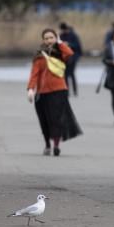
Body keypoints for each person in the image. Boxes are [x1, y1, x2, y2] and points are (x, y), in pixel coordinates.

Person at [27, 28, 83, 156]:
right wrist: (30, 89)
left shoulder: (61, 52)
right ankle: (47, 144)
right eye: (46, 38)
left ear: (55, 38)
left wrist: (60, 42)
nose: (49, 40)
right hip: (42, 93)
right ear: (43, 40)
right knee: (44, 120)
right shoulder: (39, 55)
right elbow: (34, 74)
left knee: (56, 119)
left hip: (59, 91)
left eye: (51, 37)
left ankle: (56, 146)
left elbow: (70, 54)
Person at [59, 22, 83, 96]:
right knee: (65, 75)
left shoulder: (73, 35)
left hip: (73, 57)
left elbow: (78, 46)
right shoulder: (61, 35)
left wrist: (69, 44)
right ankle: (67, 91)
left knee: (72, 74)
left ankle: (75, 91)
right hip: (64, 58)